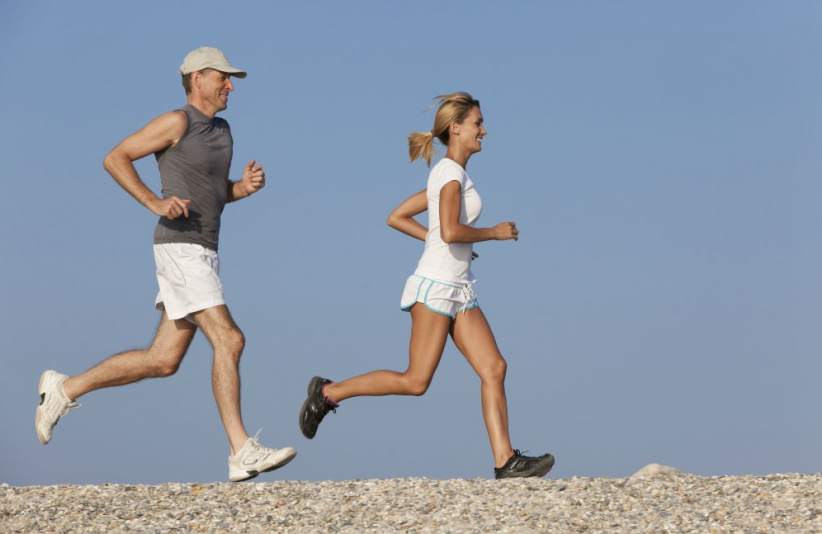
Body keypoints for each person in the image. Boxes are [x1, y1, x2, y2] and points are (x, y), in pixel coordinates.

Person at [35, 47, 296, 482]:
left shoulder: (223, 131)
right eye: (222, 78)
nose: (230, 86)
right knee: (230, 339)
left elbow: (214, 191)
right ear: (197, 79)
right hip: (180, 247)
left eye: (231, 79)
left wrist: (241, 189)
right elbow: (115, 157)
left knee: (162, 360)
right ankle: (240, 450)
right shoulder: (177, 122)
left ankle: (65, 388)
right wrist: (153, 202)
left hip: (205, 250)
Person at [299, 92, 554, 479]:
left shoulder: (452, 175)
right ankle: (328, 393)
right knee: (416, 381)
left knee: (494, 367)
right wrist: (493, 233)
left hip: (460, 288)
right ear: (456, 128)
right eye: (478, 123)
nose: (484, 130)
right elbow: (449, 231)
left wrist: (444, 240)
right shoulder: (449, 173)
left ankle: (506, 461)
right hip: (435, 287)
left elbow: (399, 217)